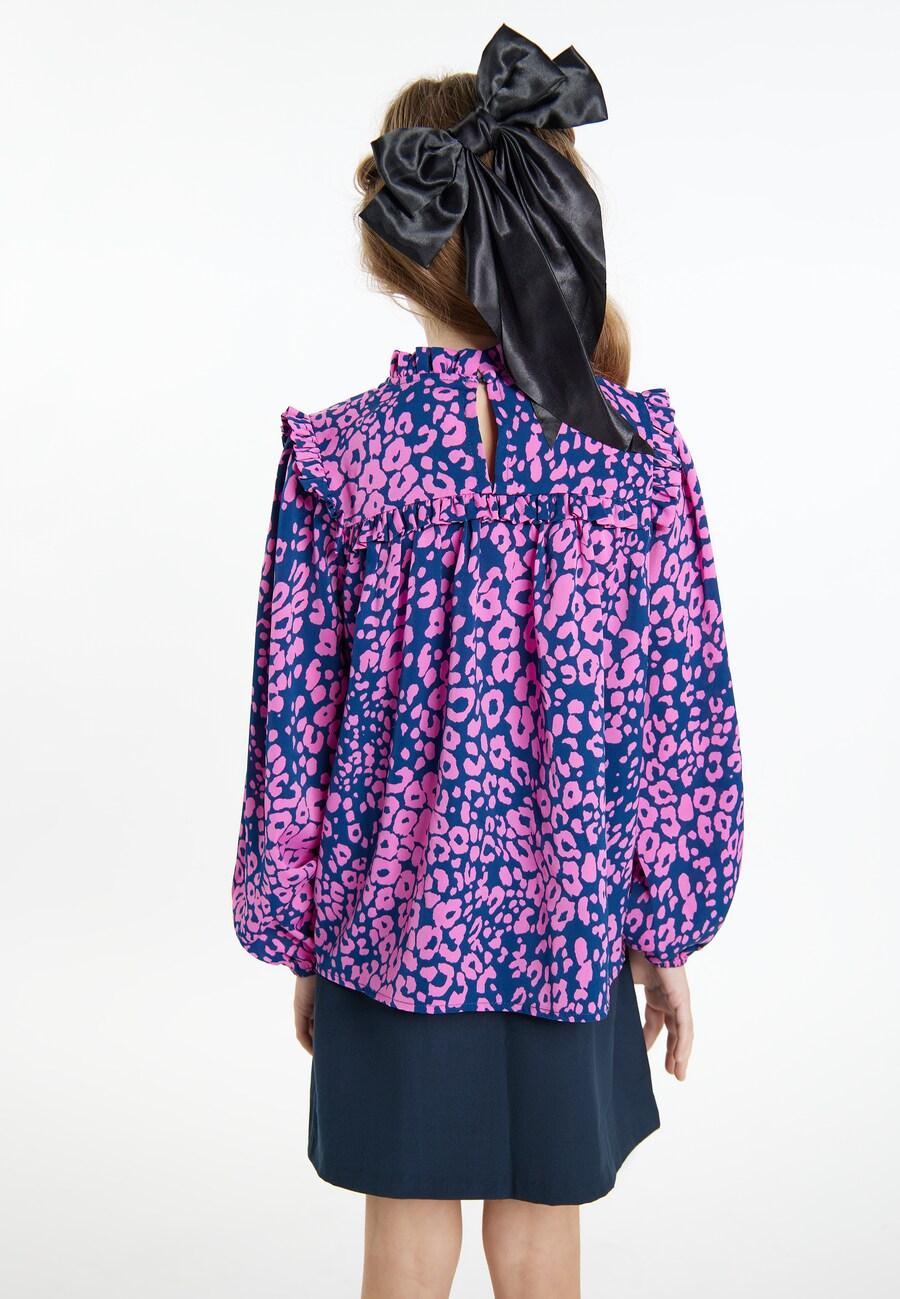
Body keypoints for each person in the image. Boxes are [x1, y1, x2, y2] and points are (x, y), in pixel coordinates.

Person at [231, 23, 743, 1299]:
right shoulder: (631, 455)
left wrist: (307, 930)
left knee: (404, 1240)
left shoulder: (343, 458)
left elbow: (296, 724)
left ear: (398, 249)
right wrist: (663, 930)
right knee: (541, 1236)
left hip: (387, 926)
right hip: (572, 922)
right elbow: (678, 718)